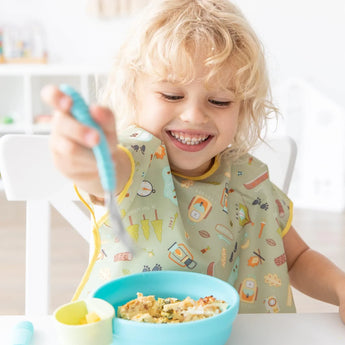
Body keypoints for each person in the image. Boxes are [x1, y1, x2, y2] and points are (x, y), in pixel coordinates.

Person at [42, 0, 345, 319]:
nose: (193, 115)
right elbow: (106, 174)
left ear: (243, 108)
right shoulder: (137, 160)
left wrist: (339, 286)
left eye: (219, 100)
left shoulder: (248, 179)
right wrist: (89, 157)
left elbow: (297, 259)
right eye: (172, 95)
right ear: (134, 92)